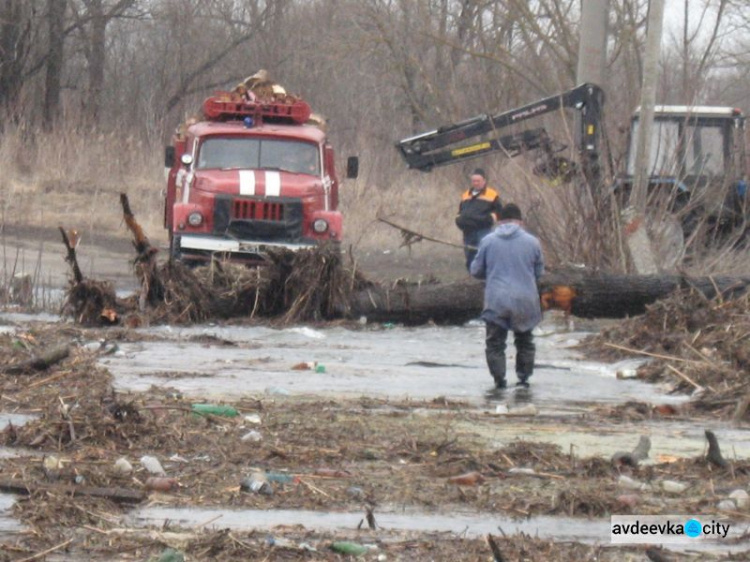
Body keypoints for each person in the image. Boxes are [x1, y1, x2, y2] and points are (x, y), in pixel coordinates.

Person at [470, 203, 544, 389]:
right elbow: (539, 272)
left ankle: (499, 380)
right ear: (520, 221)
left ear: (500, 221)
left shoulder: (487, 241)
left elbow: (476, 271)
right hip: (525, 299)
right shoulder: (532, 242)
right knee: (525, 341)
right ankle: (523, 379)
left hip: (496, 299)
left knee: (495, 343)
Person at [455, 168, 502, 271]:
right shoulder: (466, 194)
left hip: (483, 230)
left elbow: (499, 212)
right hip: (468, 231)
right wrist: (458, 219)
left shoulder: (492, 194)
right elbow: (460, 211)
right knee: (470, 255)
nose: (475, 183)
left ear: (484, 181)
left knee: (485, 253)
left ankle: (486, 275)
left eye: (478, 181)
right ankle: (472, 276)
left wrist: (489, 219)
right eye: (474, 181)